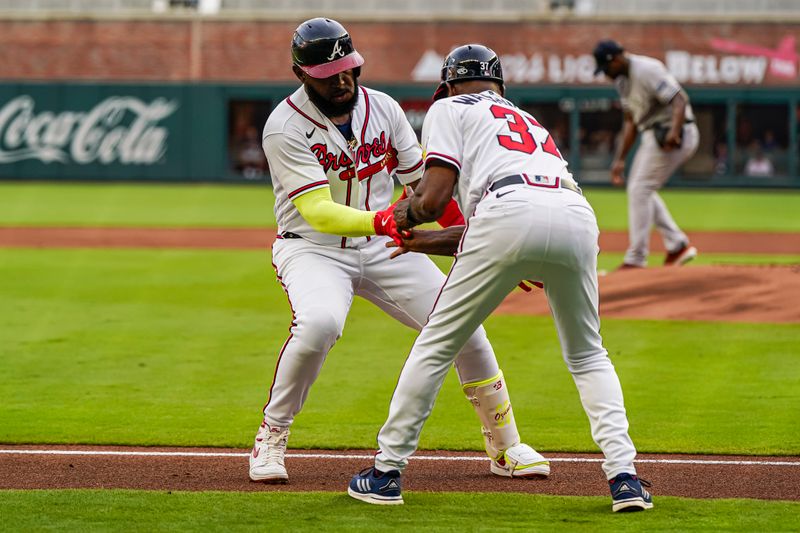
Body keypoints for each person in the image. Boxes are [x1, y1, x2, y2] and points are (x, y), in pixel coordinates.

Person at [348, 44, 652, 513]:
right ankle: (625, 479)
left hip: (506, 211)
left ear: (447, 85)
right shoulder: (527, 119)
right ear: (499, 85)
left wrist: (395, 218)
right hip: (574, 213)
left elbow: (432, 201)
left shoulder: (449, 107)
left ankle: (386, 472)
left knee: (437, 343)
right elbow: (487, 226)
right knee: (589, 354)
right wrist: (424, 243)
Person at [250, 18, 549, 485]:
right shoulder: (284, 127)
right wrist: (385, 220)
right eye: (329, 75)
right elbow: (319, 212)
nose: (342, 79)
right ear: (301, 74)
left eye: (348, 68)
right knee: (319, 325)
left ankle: (506, 446)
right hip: (313, 249)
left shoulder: (384, 109)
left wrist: (488, 244)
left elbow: (426, 188)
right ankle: (272, 435)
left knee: (464, 327)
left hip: (388, 246)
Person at [593, 39, 698, 268]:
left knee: (640, 188)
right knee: (641, 189)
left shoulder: (647, 69)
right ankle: (677, 244)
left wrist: (674, 131)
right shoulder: (622, 82)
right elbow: (630, 121)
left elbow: (679, 99)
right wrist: (620, 159)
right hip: (652, 134)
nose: (606, 74)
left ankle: (637, 257)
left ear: (617, 59)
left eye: (606, 68)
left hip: (678, 133)